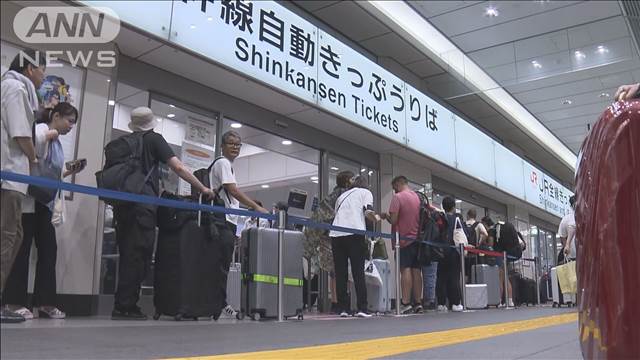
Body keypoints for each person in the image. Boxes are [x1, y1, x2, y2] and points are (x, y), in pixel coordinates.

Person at [111, 107, 215, 320]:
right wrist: (202, 188)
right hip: (143, 207)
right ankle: (125, 306)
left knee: (128, 254)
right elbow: (178, 168)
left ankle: (125, 302)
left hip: (123, 206)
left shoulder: (126, 144)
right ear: (151, 123)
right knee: (139, 256)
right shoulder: (153, 139)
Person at [4, 103, 84, 320]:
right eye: (69, 121)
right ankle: (14, 302)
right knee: (22, 250)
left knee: (49, 251)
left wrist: (69, 170)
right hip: (29, 199)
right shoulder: (41, 129)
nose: (70, 127)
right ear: (56, 116)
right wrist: (50, 133)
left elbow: (50, 174)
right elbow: (32, 143)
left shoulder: (58, 145)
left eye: (74, 123)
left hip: (45, 202)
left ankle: (45, 302)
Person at [1, 49, 45, 323]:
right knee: (7, 237)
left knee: (13, 235)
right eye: (42, 70)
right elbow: (20, 133)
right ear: (30, 68)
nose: (43, 77)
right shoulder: (16, 88)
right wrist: (34, 158)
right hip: (9, 176)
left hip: (9, 177)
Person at [210, 130, 268, 318]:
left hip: (227, 221)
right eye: (231, 143)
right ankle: (218, 304)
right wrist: (255, 207)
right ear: (222, 146)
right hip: (222, 221)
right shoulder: (223, 163)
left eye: (238, 144)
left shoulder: (226, 164)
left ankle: (219, 302)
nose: (235, 147)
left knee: (222, 265)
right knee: (220, 266)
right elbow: (232, 190)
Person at [303, 170, 354, 313]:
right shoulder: (347, 196)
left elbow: (320, 216)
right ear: (346, 181)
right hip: (340, 237)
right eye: (352, 179)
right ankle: (343, 303)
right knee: (342, 272)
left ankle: (336, 303)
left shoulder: (331, 196)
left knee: (335, 272)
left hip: (328, 237)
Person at [330, 175, 379, 318]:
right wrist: (378, 218)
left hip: (336, 234)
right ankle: (362, 308)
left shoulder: (342, 196)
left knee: (341, 273)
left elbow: (336, 214)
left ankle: (343, 308)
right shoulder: (366, 193)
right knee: (358, 272)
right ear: (365, 184)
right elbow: (368, 212)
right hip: (354, 233)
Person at [381, 176, 423, 314]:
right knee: (417, 271)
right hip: (417, 239)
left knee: (405, 269)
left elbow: (393, 220)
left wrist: (386, 216)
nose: (394, 190)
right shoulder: (417, 197)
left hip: (403, 240)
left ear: (399, 184)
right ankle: (418, 302)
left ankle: (405, 302)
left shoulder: (398, 197)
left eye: (394, 187)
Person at [436, 197, 464, 312]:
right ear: (453, 207)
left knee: (441, 278)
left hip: (441, 251)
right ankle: (455, 303)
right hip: (453, 252)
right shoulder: (456, 219)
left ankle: (441, 303)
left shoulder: (439, 218)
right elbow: (462, 234)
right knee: (454, 278)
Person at [482, 216, 514, 308]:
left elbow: (491, 245)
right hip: (504, 255)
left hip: (498, 256)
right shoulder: (497, 228)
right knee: (505, 278)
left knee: (500, 279)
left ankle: (499, 301)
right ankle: (510, 300)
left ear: (484, 224)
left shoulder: (491, 231)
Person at [464, 209, 488, 280]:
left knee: (465, 272)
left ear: (468, 215)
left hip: (465, 250)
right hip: (474, 251)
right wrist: (479, 243)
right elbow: (485, 234)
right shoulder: (478, 224)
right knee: (473, 271)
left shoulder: (463, 223)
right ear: (475, 216)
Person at [558, 195, 577, 261]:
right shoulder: (567, 220)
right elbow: (562, 236)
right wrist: (567, 245)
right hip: (572, 257)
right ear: (572, 206)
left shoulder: (588, 216)